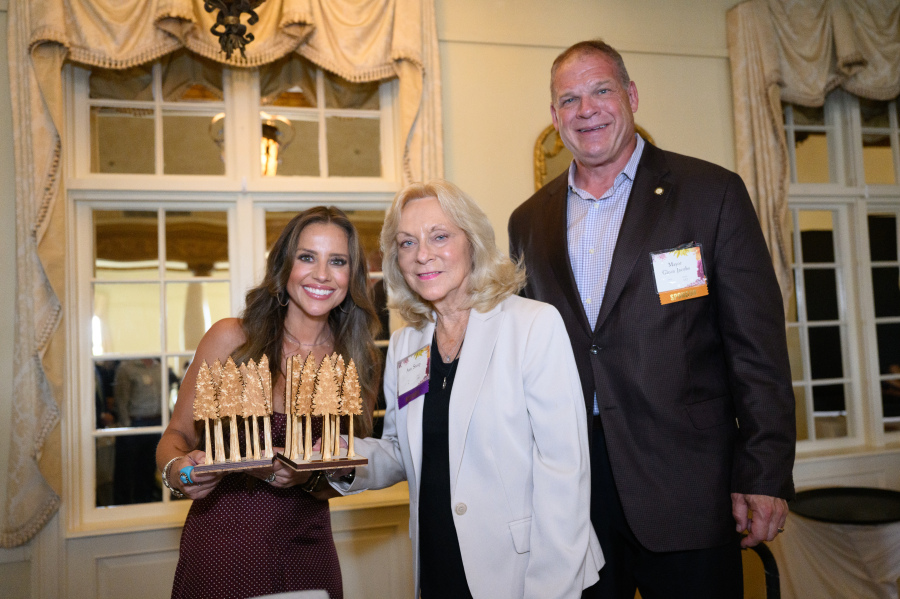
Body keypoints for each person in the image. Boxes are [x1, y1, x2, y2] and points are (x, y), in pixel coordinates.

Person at [508, 40, 796, 598]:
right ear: (554, 116)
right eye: (568, 99)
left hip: (690, 489)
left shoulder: (710, 194)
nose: (585, 109)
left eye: (600, 90)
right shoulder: (529, 220)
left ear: (632, 96)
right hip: (573, 495)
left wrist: (764, 474)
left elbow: (756, 349)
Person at [336, 179, 603, 599]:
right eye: (406, 243)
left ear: (473, 242)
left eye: (439, 236)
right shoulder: (409, 343)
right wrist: (332, 458)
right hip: (440, 567)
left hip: (527, 572)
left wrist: (550, 589)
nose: (422, 254)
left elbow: (565, 472)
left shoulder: (531, 325)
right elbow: (401, 451)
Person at [156, 206, 381, 599]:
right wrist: (182, 474)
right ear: (284, 266)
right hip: (221, 549)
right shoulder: (232, 339)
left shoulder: (356, 359)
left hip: (308, 553)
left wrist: (306, 476)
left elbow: (342, 474)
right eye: (307, 257)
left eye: (338, 261)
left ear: (352, 275)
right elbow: (176, 435)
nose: (322, 274)